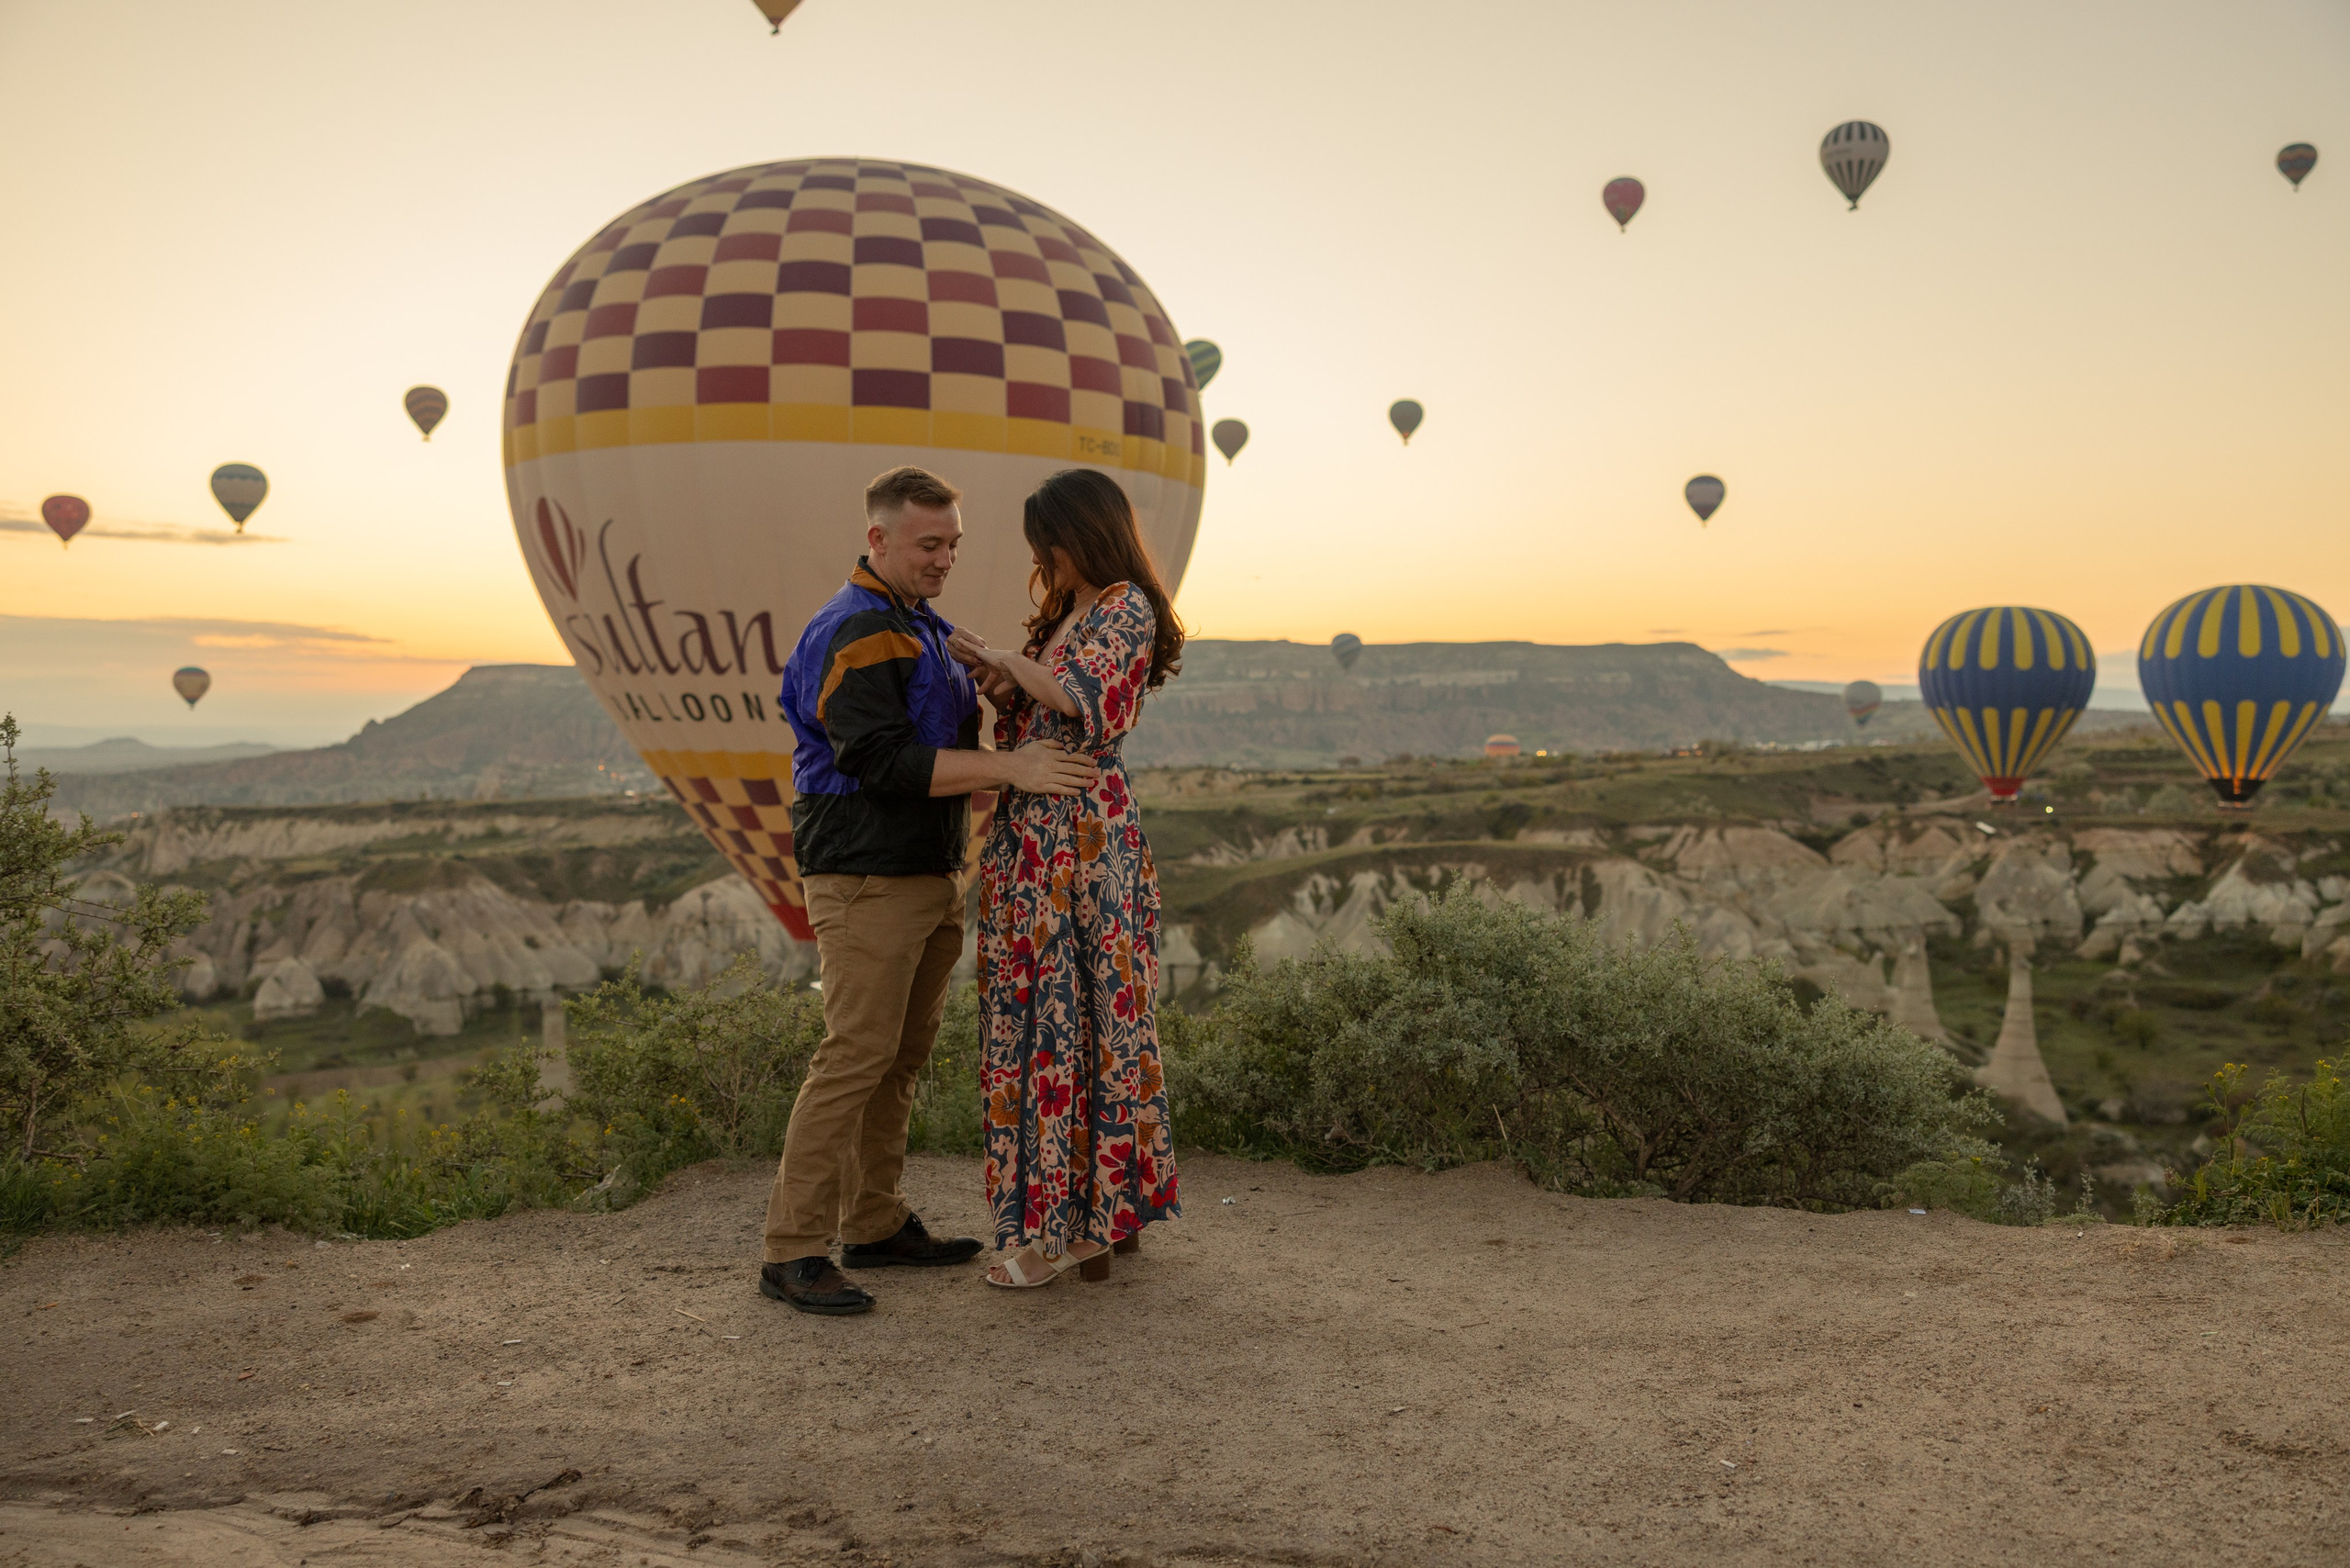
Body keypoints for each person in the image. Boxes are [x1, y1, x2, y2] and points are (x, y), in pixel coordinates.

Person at [759, 465, 1099, 1316]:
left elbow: (935, 734)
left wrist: (990, 681)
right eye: (928, 543)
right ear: (877, 539)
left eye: (953, 543)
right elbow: (879, 759)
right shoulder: (856, 630)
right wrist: (1015, 768)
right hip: (867, 874)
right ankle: (792, 1249)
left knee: (899, 1058)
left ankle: (873, 1221)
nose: (945, 557)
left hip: (928, 872)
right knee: (853, 1057)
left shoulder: (920, 627)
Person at [945, 468, 1184, 1288]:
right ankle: (1086, 1219)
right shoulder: (1067, 615)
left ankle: (1073, 1232)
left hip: (1083, 840)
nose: (1040, 561)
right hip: (1029, 840)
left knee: (1085, 1020)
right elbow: (1041, 707)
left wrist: (1020, 662)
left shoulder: (1126, 606)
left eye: (1046, 543)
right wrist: (1004, 678)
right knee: (1043, 1020)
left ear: (1077, 535)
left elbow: (1088, 702)